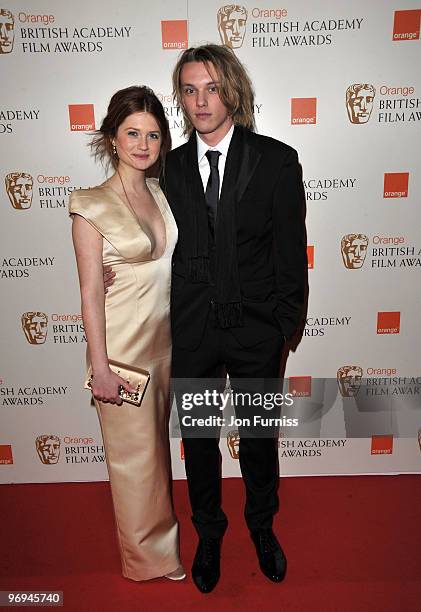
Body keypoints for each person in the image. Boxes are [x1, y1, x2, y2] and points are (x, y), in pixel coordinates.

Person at [105, 44, 307, 593]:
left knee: (260, 439)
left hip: (257, 332)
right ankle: (210, 536)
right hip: (192, 332)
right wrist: (109, 270)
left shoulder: (276, 160)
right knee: (196, 441)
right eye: (190, 90)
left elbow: (291, 251)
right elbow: (135, 230)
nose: (201, 101)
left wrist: (283, 327)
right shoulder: (163, 167)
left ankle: (262, 527)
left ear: (232, 91)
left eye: (212, 88)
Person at [69, 86, 184, 582]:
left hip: (167, 345)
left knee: (156, 454)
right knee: (135, 463)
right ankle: (150, 562)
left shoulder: (162, 192)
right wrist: (100, 369)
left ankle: (159, 547)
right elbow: (91, 294)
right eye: (132, 133)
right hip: (122, 353)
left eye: (153, 135)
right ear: (112, 139)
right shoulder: (89, 205)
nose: (142, 144)